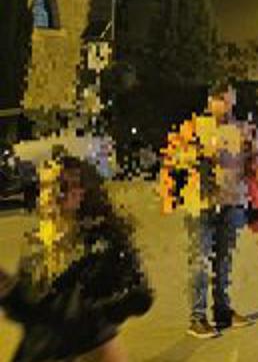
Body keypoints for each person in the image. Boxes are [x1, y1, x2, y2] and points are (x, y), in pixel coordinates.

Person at [0, 152, 153, 361]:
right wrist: (8, 291)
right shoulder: (35, 244)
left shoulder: (98, 245)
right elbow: (30, 314)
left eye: (62, 187)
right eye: (45, 186)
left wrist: (113, 305)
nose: (51, 195)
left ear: (82, 192)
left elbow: (134, 297)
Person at [160, 85, 258, 338]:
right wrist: (195, 153)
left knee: (224, 260)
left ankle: (222, 310)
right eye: (220, 101)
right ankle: (197, 317)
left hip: (232, 201)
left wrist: (256, 149)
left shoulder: (242, 129)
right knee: (200, 261)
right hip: (201, 203)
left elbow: (256, 161)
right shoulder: (193, 127)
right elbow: (172, 157)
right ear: (210, 102)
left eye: (229, 101)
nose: (225, 106)